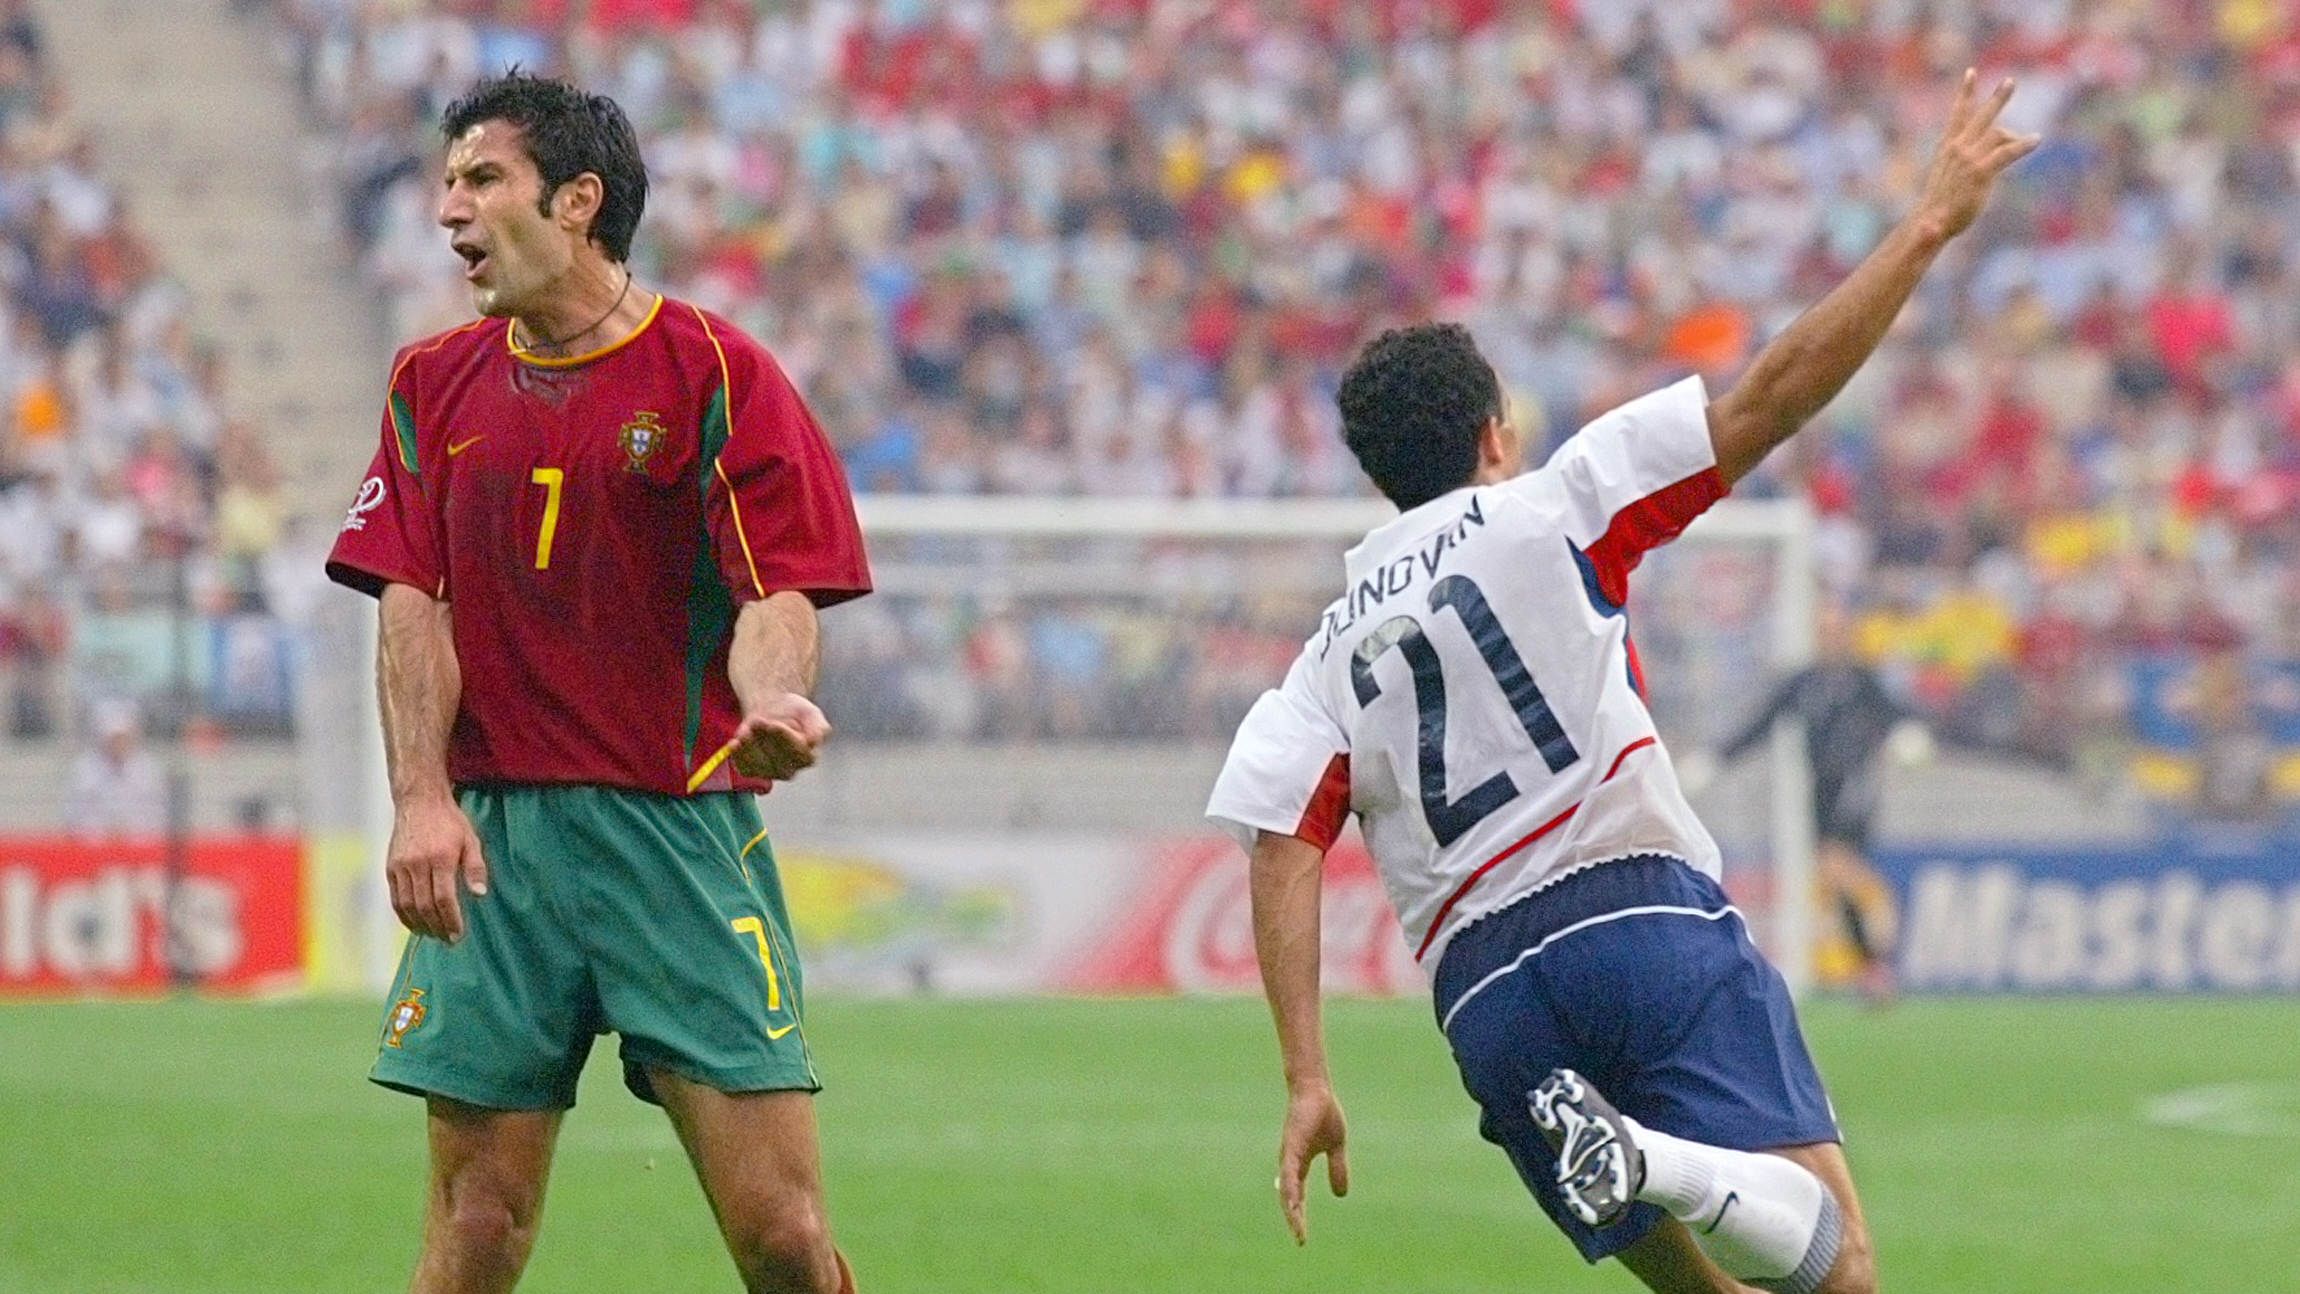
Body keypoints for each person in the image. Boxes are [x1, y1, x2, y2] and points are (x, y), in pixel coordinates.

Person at [1207, 74, 2035, 1293]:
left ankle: (1646, 1160)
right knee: (1838, 1267)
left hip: (1487, 1006)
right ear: (1492, 431)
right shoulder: (1554, 503)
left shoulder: (1324, 653)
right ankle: (1658, 1160)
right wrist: (1923, 227)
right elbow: (1771, 392)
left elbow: (1277, 838)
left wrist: (1307, 1077)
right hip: (1632, 914)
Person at [325, 73, 871, 1294]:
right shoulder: (431, 382)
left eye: (482, 179)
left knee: (782, 1234)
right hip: (495, 852)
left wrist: (773, 701)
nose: (449, 208)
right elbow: (412, 599)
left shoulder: (719, 374)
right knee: (473, 1233)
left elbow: (774, 592)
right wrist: (420, 794)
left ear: (577, 202)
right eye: (449, 180)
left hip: (672, 839)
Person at [1682, 602, 1924, 1005]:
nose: (1832, 637)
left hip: (1854, 785)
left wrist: (1907, 733)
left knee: (1837, 867)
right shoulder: (1803, 683)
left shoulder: (1861, 680)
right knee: (1836, 878)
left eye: (1837, 629)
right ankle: (1874, 967)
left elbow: (1895, 712)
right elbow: (1761, 724)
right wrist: (1716, 758)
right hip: (1818, 792)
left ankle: (1876, 965)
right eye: (1824, 629)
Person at [67, 699, 164, 838]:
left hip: (140, 848)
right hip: (94, 847)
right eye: (114, 739)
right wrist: (104, 833)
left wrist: (130, 832)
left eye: (123, 738)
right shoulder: (84, 770)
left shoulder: (148, 769)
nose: (119, 745)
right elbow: (74, 816)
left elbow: (158, 815)